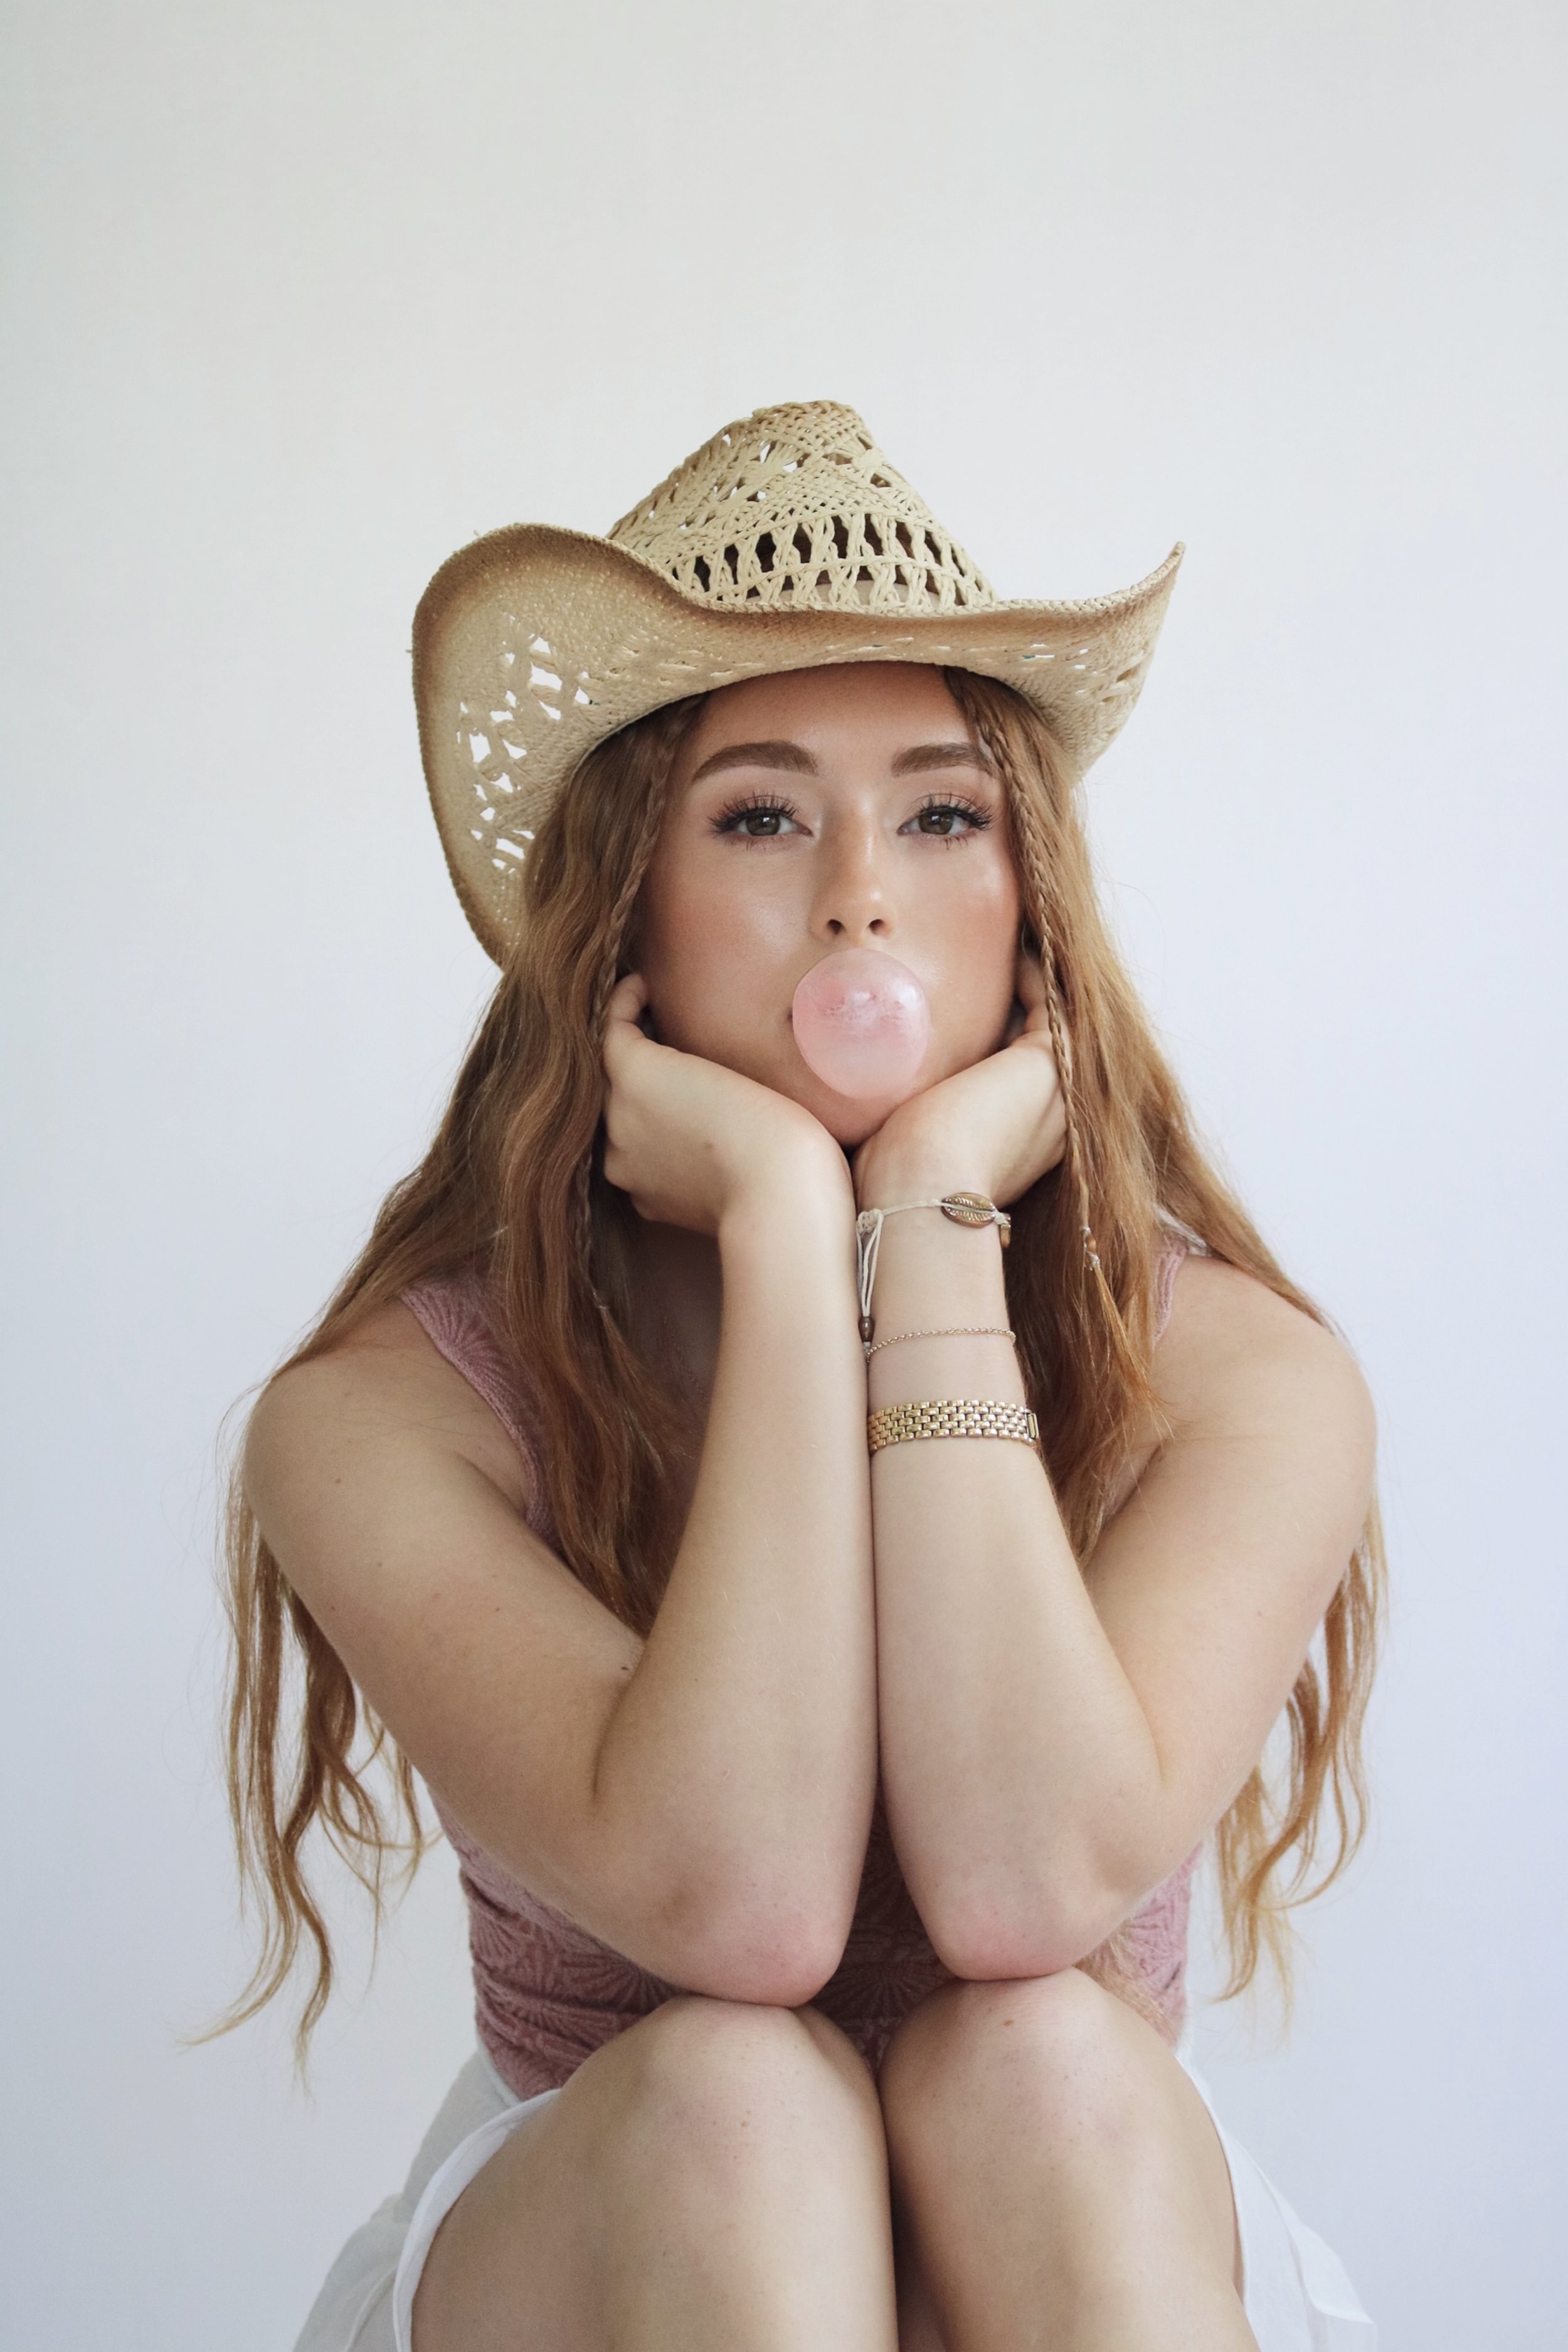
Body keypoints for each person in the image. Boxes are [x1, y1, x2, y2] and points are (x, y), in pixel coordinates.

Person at [221, 402, 1384, 2349]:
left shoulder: (1243, 1377)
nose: (862, 895)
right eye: (760, 816)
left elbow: (1025, 1899)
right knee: (737, 2102)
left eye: (941, 815)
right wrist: (781, 1232)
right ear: (622, 918)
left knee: (1037, 2058)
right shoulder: (378, 1417)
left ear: (1029, 916)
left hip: (1075, 2224)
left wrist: (920, 1220)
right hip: (619, 2237)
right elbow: (739, 1915)